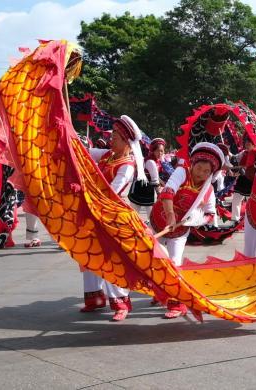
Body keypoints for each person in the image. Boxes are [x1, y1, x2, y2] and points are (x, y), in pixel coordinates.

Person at [80, 115, 145, 321]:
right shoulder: (109, 155)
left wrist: (86, 191)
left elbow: (112, 192)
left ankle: (121, 303)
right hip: (96, 211)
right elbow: (85, 152)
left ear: (126, 141)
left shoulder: (127, 165)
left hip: (115, 216)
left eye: (115, 137)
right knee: (89, 254)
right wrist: (69, 136)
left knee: (111, 260)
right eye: (112, 135)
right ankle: (94, 298)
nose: (111, 140)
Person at [150, 142, 224, 318]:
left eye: (206, 172)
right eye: (199, 168)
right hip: (159, 221)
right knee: (153, 259)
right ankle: (160, 291)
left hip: (180, 230)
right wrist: (170, 214)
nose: (201, 174)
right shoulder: (182, 171)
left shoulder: (208, 189)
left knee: (174, 263)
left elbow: (211, 215)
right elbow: (167, 192)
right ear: (193, 164)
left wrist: (193, 221)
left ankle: (176, 303)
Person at [231, 135, 256, 222]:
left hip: (252, 180)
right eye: (246, 143)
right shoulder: (244, 153)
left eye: (249, 143)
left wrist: (251, 168)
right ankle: (235, 219)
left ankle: (252, 220)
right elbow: (235, 158)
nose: (247, 145)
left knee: (251, 202)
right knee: (236, 199)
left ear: (254, 144)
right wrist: (227, 152)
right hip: (242, 179)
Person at [128, 140, 160, 220]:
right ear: (153, 151)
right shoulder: (151, 162)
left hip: (140, 188)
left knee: (134, 215)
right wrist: (159, 194)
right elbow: (155, 181)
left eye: (162, 151)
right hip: (142, 190)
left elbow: (155, 177)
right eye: (158, 151)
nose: (160, 153)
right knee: (149, 216)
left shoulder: (151, 160)